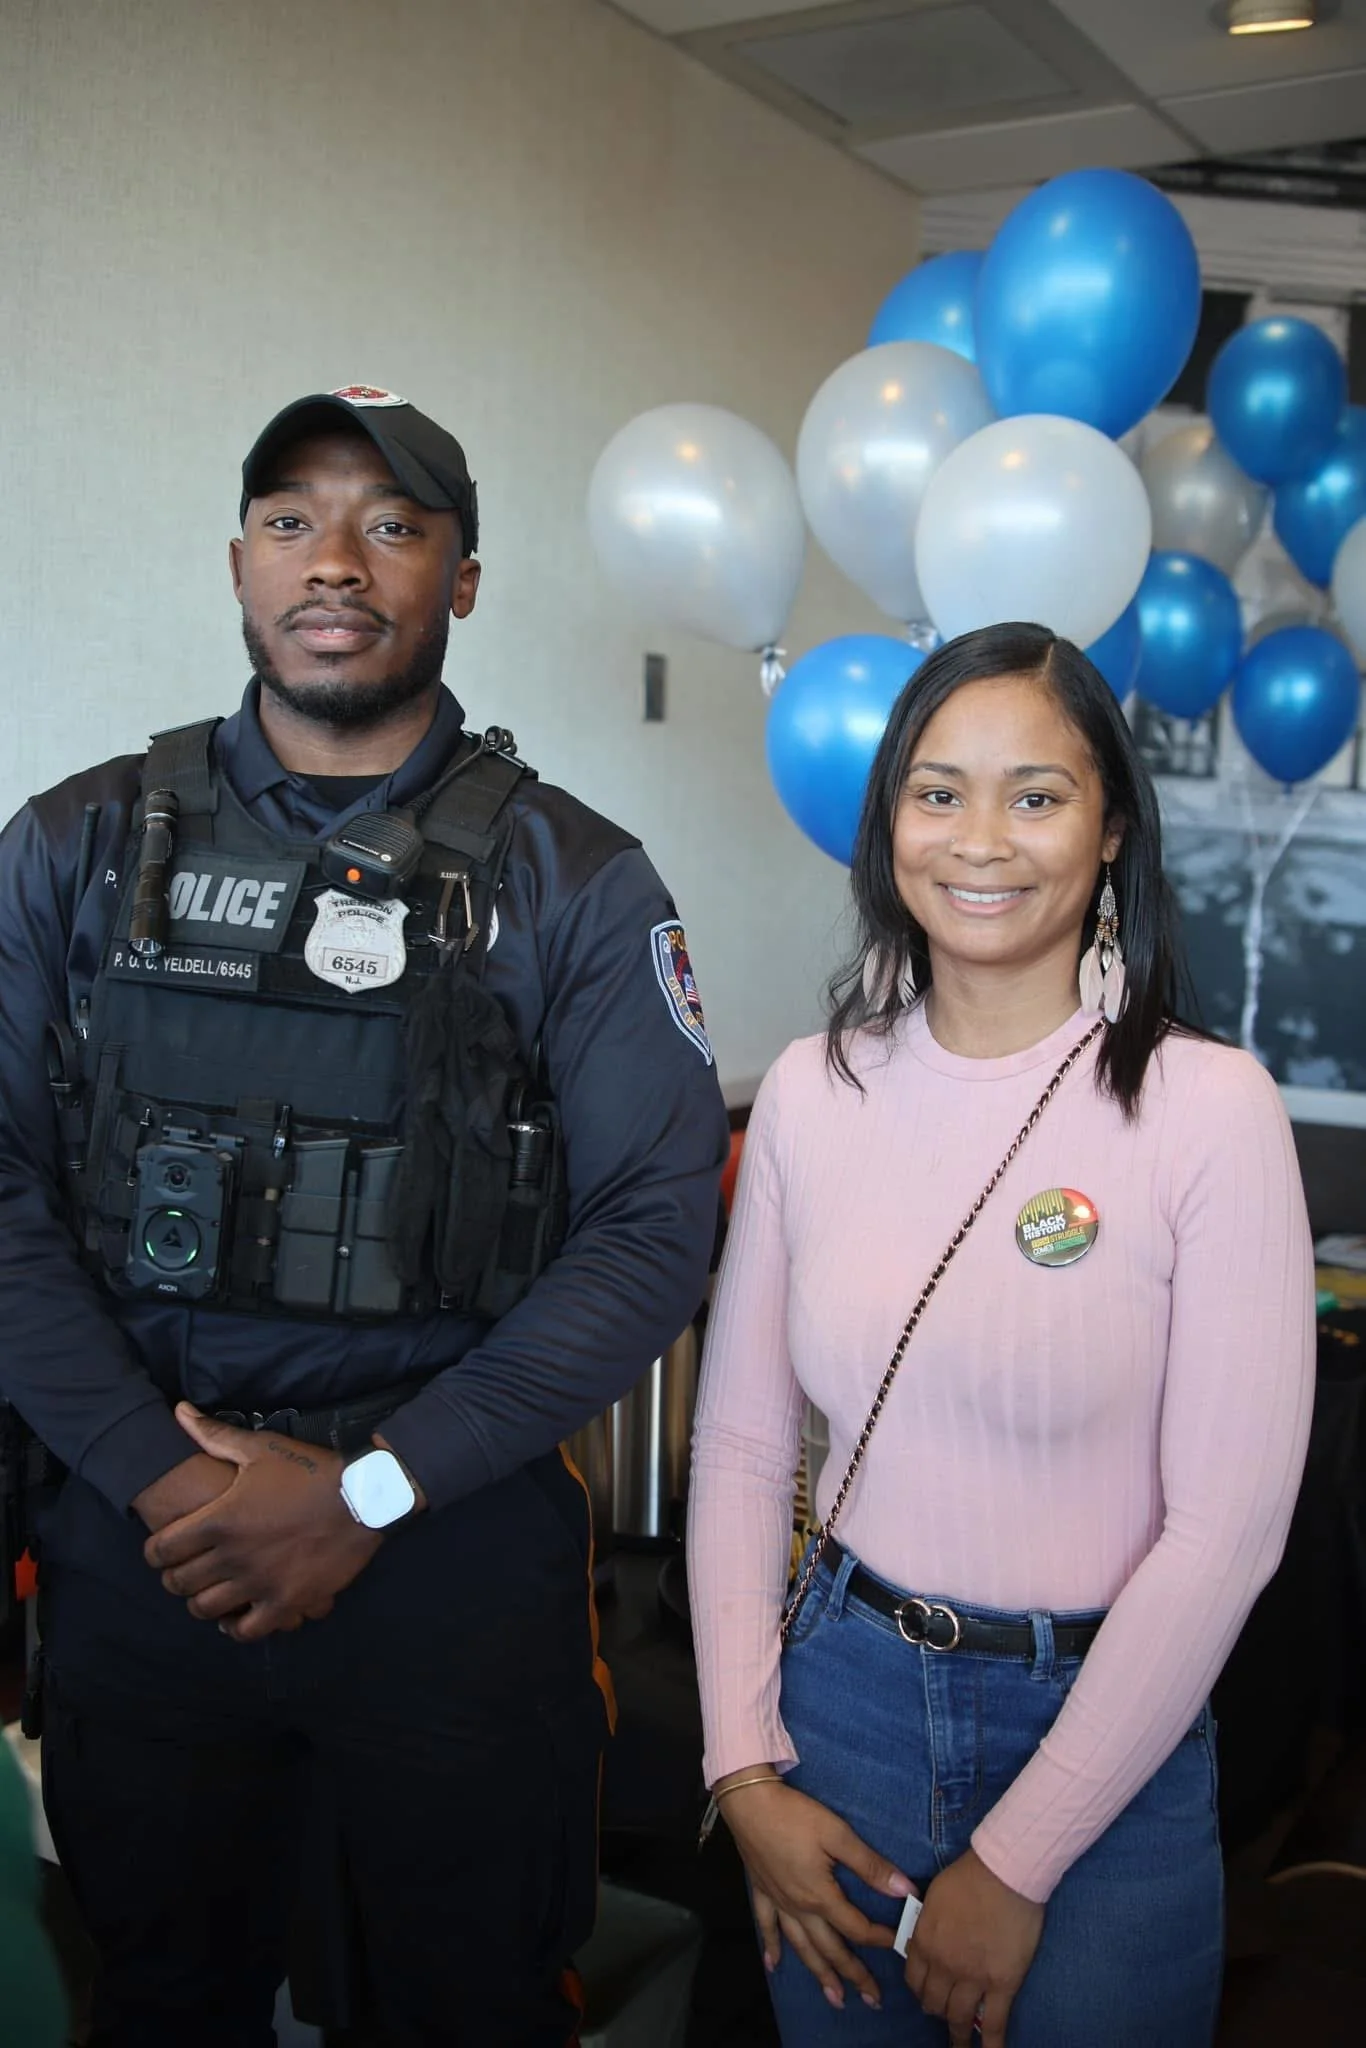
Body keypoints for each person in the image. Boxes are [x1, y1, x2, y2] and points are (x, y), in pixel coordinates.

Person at [0, 384, 729, 2046]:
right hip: (147, 1549)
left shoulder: (577, 882)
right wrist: (167, 1476)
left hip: (446, 1555)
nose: (335, 561)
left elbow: (648, 1232)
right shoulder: (74, 843)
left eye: (392, 525)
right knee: (160, 1998)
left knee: (463, 2007)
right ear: (238, 566)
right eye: (290, 521)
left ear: (461, 579)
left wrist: (373, 1492)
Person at [687, 623, 1315, 2048]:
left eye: (1036, 795)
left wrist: (1020, 1862)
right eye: (936, 791)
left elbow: (1226, 1534)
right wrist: (742, 1769)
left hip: (1103, 1735)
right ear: (886, 824)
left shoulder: (1208, 1111)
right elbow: (735, 1447)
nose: (981, 840)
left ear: (1107, 834)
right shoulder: (807, 1088)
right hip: (834, 1716)